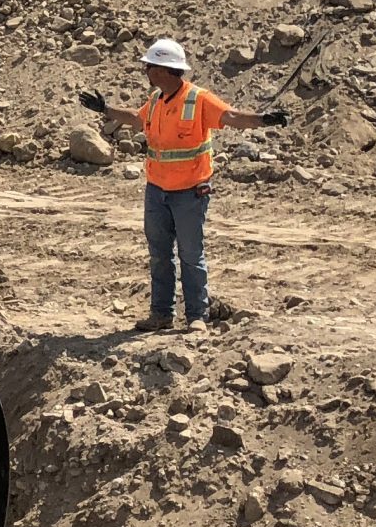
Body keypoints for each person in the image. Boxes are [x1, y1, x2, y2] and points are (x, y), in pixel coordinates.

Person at [80, 38, 286, 333]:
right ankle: (161, 315)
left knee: (191, 255)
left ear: (163, 69)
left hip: (190, 192)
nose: (145, 71)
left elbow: (232, 117)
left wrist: (264, 120)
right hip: (157, 192)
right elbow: (137, 120)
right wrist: (106, 109)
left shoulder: (199, 99)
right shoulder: (156, 101)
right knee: (160, 254)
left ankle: (196, 316)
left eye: (149, 66)